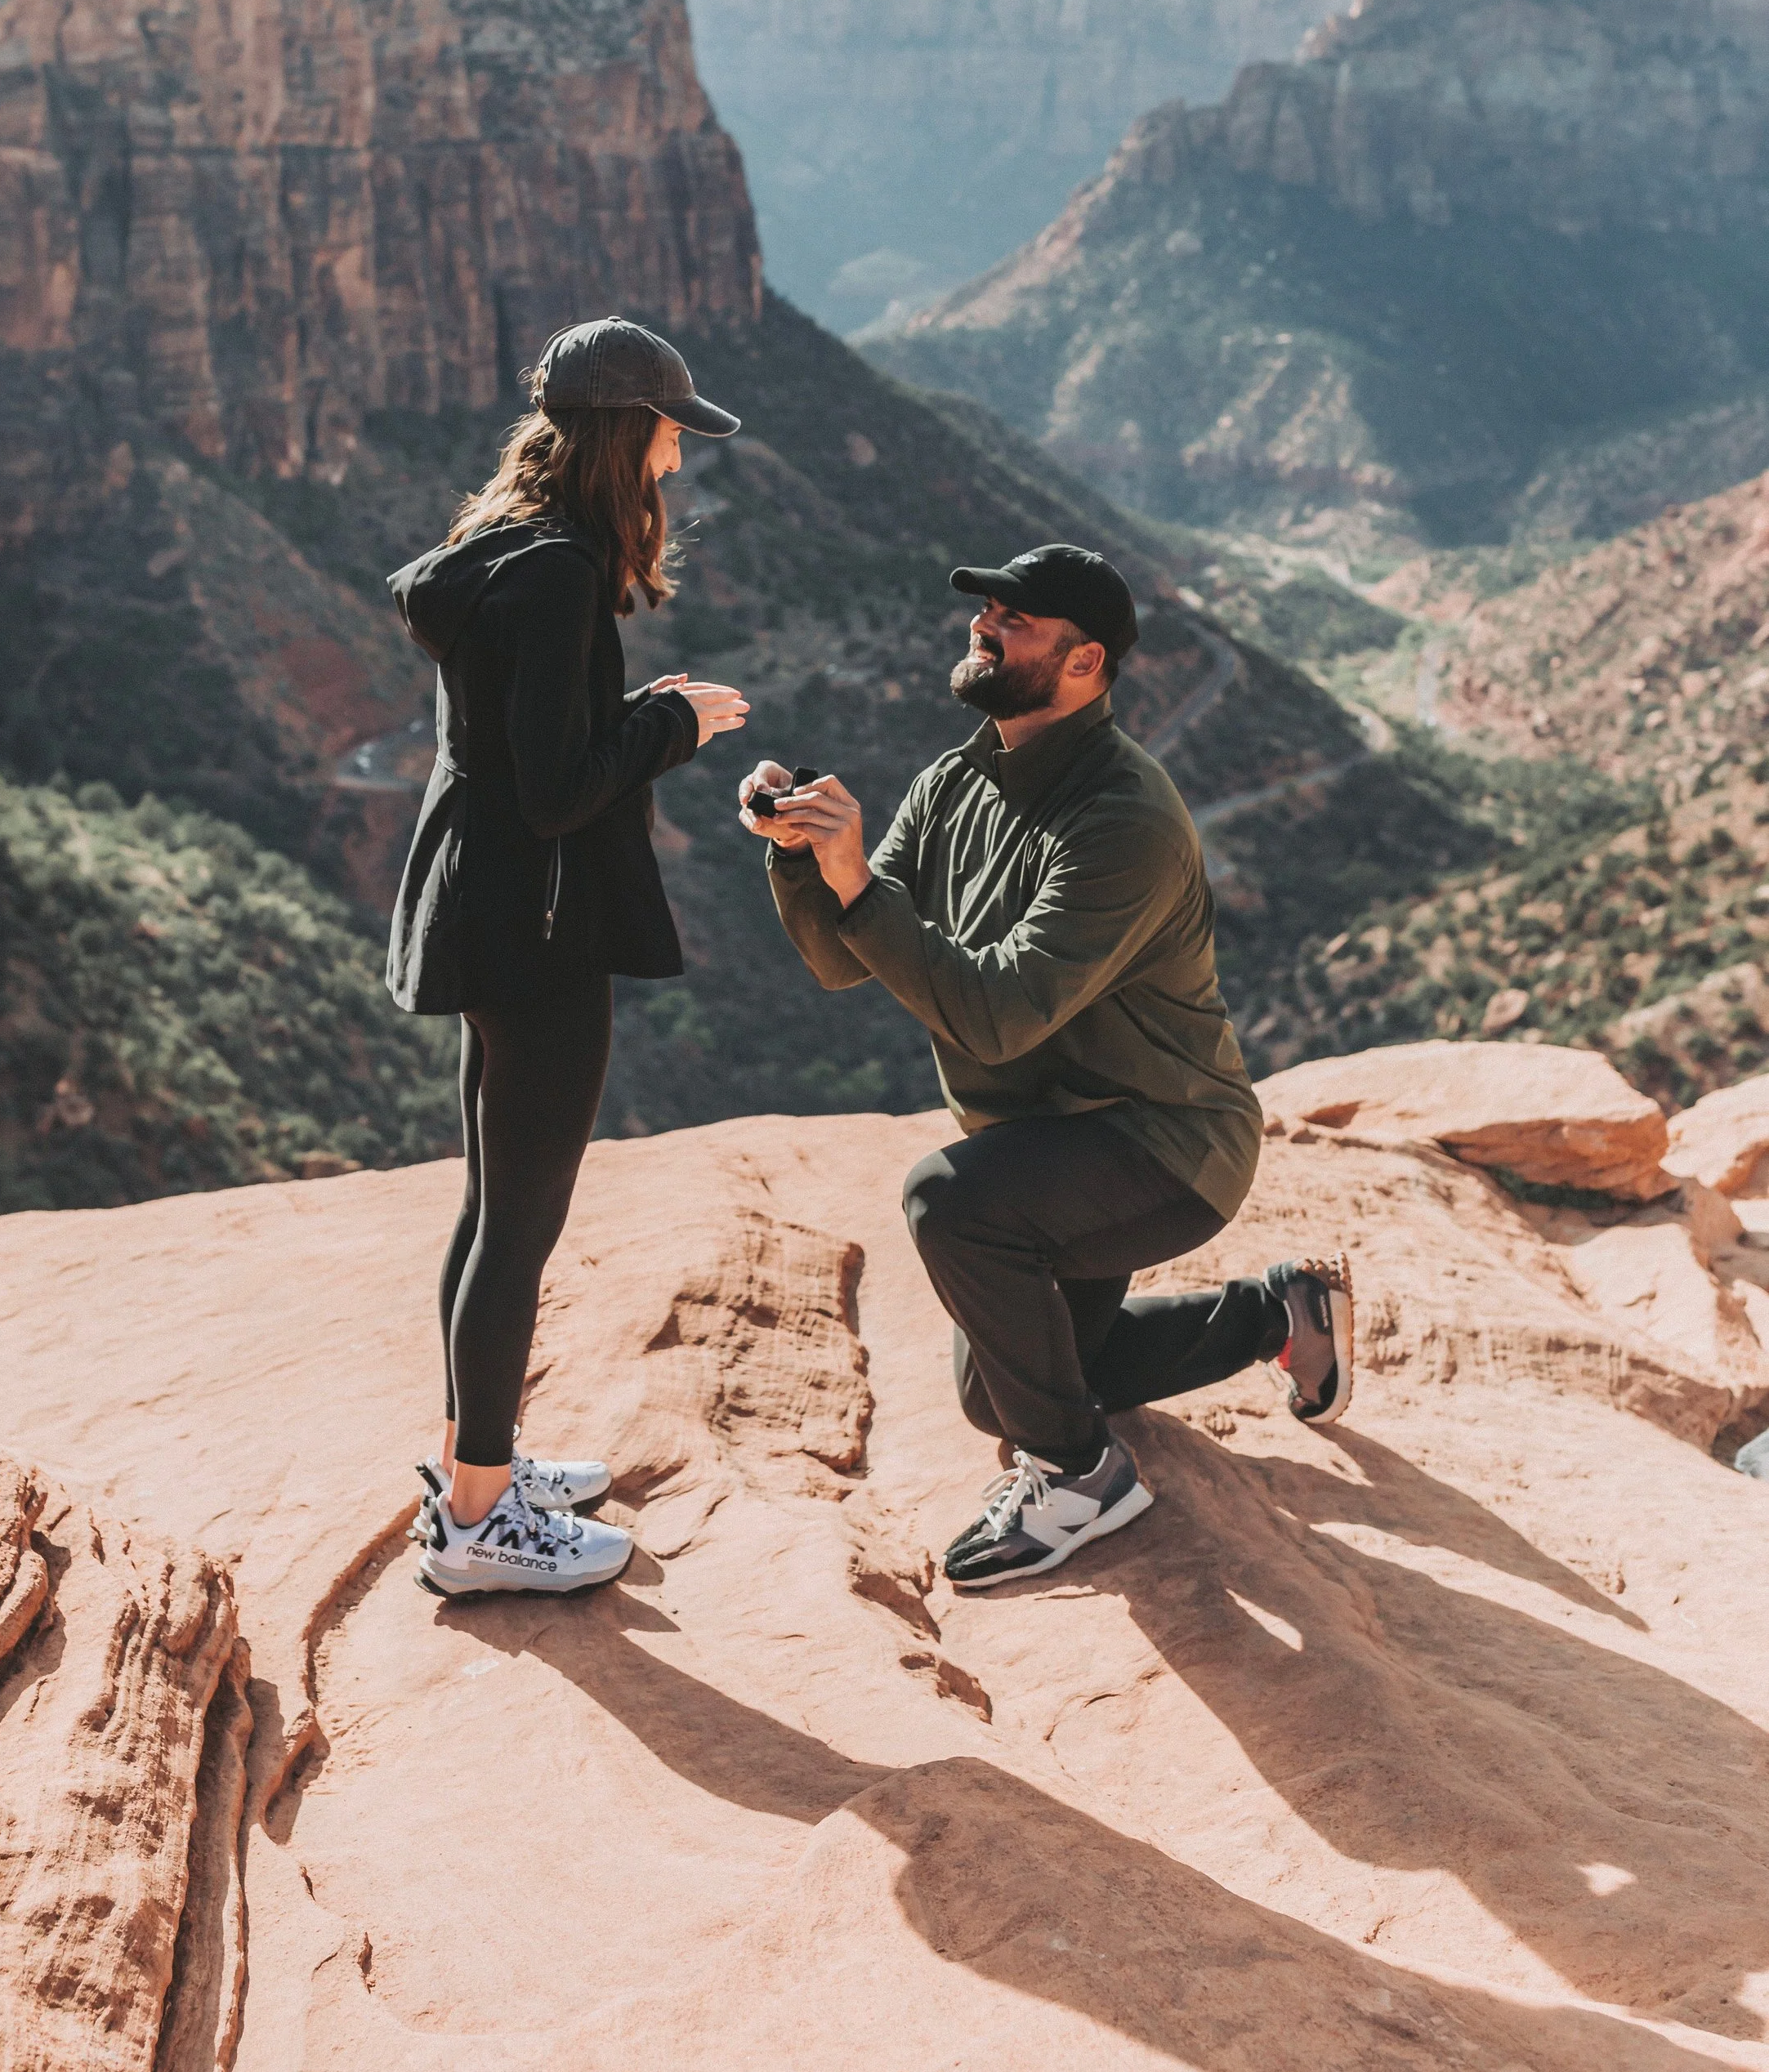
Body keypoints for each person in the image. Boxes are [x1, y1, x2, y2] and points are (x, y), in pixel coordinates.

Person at [741, 543, 1351, 1592]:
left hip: (1161, 1142)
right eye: (984, 610)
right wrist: (802, 858)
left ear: (1085, 664)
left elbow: (999, 1019)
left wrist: (853, 876)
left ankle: (1081, 1478)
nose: (982, 626)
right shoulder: (955, 779)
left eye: (1014, 620)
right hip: (1052, 1147)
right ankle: (1272, 1314)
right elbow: (844, 957)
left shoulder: (1125, 817)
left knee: (949, 1203)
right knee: (1007, 1390)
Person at [388, 315, 749, 1599]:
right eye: (666, 431)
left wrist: (635, 714)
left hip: (483, 911)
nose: (675, 458)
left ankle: (470, 1462)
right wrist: (670, 720)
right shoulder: (555, 575)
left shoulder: (497, 549)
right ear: (619, 434)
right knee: (520, 1223)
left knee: (492, 1209)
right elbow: (557, 790)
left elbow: (523, 758)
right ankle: (480, 1526)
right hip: (537, 928)